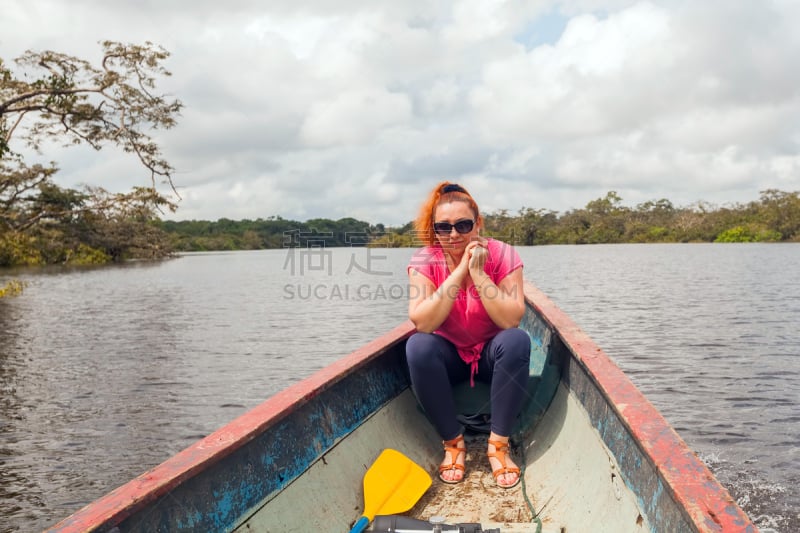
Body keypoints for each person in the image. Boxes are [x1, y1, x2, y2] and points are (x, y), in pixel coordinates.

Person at [406, 181, 531, 489]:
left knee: (517, 341)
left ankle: (498, 446)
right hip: (449, 356)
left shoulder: (503, 254)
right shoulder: (425, 260)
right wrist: (460, 270)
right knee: (418, 346)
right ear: (435, 230)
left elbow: (511, 319)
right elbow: (423, 322)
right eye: (444, 228)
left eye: (463, 225)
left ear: (478, 224)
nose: (454, 234)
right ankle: (453, 443)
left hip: (491, 354)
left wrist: (479, 272)